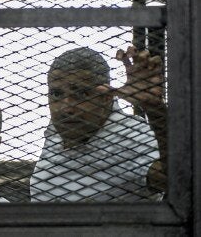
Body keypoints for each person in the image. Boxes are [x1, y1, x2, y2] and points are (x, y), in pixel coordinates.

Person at [30, 46, 166, 202]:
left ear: (106, 97)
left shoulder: (130, 134)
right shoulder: (64, 124)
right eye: (56, 94)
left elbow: (180, 181)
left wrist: (155, 109)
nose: (65, 107)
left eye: (81, 94)